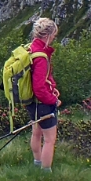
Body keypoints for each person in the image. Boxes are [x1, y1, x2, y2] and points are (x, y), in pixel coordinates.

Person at [28, 17, 61, 170]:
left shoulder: (30, 49)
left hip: (31, 102)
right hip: (42, 103)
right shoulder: (41, 57)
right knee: (49, 139)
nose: (54, 38)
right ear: (47, 35)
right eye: (54, 35)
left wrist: (52, 87)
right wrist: (53, 100)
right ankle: (46, 173)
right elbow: (40, 87)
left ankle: (37, 163)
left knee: (36, 133)